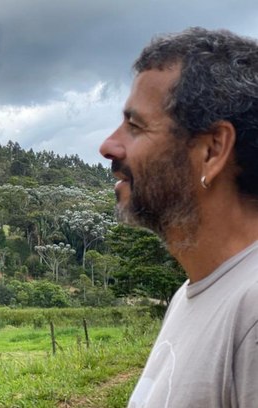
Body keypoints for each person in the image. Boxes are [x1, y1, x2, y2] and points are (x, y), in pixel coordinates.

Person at [99, 27, 258, 407]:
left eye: (135, 126)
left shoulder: (253, 311)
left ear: (212, 150)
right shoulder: (195, 294)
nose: (108, 145)